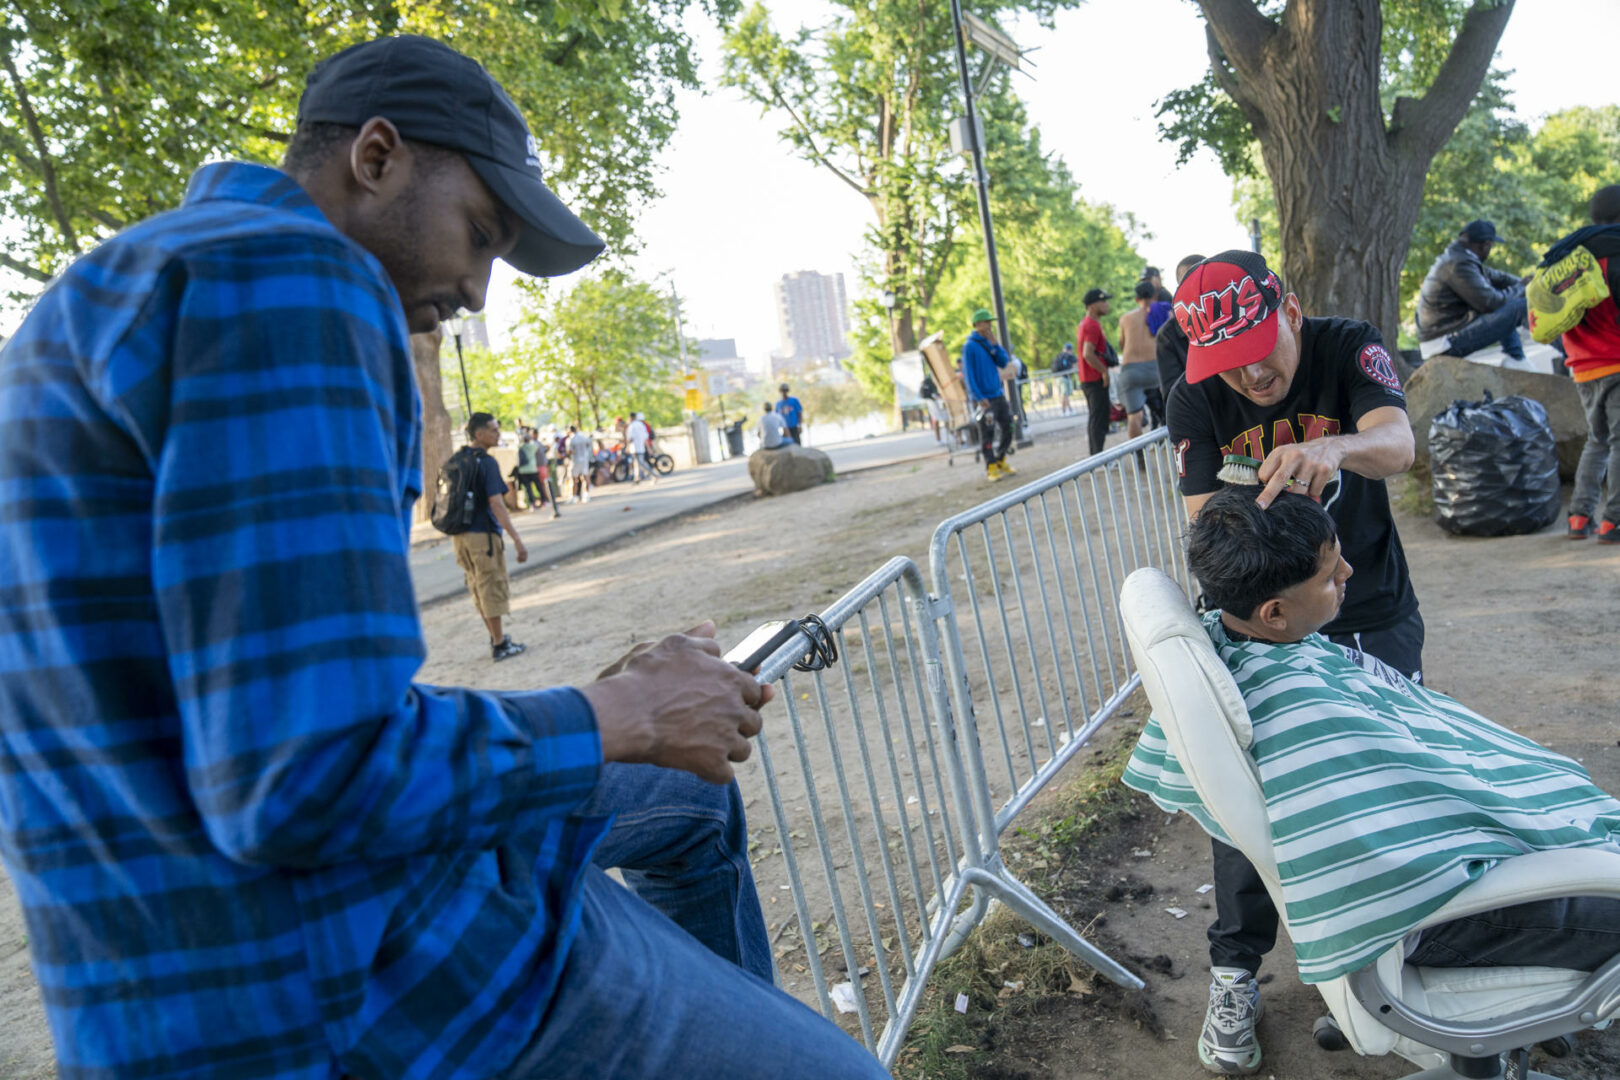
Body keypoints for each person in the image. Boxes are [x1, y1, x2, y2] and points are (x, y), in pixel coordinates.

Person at [0, 33, 896, 1080]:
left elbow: (252, 723)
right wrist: (617, 717)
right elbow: (301, 781)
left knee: (691, 797)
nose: (477, 292)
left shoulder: (93, 296)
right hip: (337, 982)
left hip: (143, 988)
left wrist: (612, 716)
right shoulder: (294, 275)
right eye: (479, 235)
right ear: (374, 157)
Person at [1124, 487, 1620, 1075]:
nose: (1349, 573)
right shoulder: (1300, 712)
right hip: (1433, 914)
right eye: (1330, 575)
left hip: (1434, 887)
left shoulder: (1244, 644)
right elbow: (1396, 853)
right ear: (1275, 612)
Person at [1166, 249, 1422, 1075]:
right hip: (1266, 624)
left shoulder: (1348, 346)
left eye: (1259, 349)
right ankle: (1236, 971)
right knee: (1249, 796)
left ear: (1293, 310)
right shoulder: (1196, 397)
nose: (1249, 375)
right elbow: (1213, 530)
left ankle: (1385, 969)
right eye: (1226, 362)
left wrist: (1335, 451)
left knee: (1386, 778)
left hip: (1371, 601)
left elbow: (1399, 442)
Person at [1559, 184, 1620, 542]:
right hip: (1615, 362)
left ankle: (1580, 518)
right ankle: (1614, 520)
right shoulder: (1614, 252)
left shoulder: (1571, 255)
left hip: (1582, 365)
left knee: (1597, 440)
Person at [452, 413, 530, 659]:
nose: (498, 435)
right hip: (482, 536)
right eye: (493, 430)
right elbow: (496, 503)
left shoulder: (458, 459)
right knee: (490, 586)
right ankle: (499, 644)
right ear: (479, 434)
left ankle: (495, 637)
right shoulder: (486, 462)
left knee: (477, 586)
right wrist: (516, 538)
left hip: (460, 536)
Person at [1416, 219, 1529, 361]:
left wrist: (1524, 283)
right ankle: (1520, 358)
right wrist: (1521, 288)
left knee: (1509, 302)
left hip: (1444, 335)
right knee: (1521, 305)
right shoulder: (1458, 264)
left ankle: (1515, 358)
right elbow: (1490, 302)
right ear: (1485, 245)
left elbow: (1498, 277)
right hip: (1444, 342)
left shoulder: (1459, 257)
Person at [962, 307, 1016, 480]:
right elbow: (969, 374)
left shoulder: (989, 344)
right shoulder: (970, 346)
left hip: (998, 394)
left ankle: (1001, 458)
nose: (989, 326)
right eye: (986, 323)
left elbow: (1003, 361)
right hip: (985, 398)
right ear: (977, 324)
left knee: (1009, 426)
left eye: (990, 323)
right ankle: (990, 465)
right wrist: (978, 397)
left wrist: (995, 345)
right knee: (988, 431)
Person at [1114, 281, 1162, 442]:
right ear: (1155, 296)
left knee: (1134, 416)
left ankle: (1139, 456)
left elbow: (1122, 343)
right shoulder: (1160, 313)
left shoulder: (1125, 318)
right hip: (1156, 368)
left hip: (1131, 369)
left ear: (1136, 299)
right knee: (1168, 404)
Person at [1155, 253, 1206, 395]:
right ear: (1179, 289)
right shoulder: (1168, 335)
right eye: (1189, 281)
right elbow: (1173, 393)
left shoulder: (1233, 319)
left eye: (1203, 279)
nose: (1198, 287)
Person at [1076, 287, 1114, 456]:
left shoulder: (1087, 323)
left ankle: (1097, 454)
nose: (1107, 304)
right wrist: (1104, 371)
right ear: (1092, 306)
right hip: (1094, 379)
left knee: (1097, 418)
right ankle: (1097, 456)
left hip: (1089, 378)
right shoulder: (1091, 325)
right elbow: (1087, 354)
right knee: (1098, 419)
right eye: (1103, 301)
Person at [626, 411, 656, 484]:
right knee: (636, 463)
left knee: (641, 463)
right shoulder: (641, 425)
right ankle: (637, 478)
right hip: (641, 447)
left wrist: (627, 447)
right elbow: (645, 437)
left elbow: (630, 438)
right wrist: (648, 448)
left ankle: (654, 474)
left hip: (635, 448)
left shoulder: (632, 426)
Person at [569, 423, 595, 503]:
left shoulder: (572, 439)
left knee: (575, 479)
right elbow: (589, 444)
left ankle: (575, 496)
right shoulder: (583, 437)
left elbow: (571, 451)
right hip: (584, 459)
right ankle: (586, 494)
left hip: (576, 460)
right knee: (585, 477)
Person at [1051, 341, 1078, 415]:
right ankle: (1065, 411)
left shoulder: (1059, 355)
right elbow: (1076, 365)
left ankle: (1068, 410)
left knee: (1064, 394)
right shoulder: (1069, 356)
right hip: (1065, 377)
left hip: (1058, 377)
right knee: (1064, 394)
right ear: (1070, 349)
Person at [919, 370, 948, 440]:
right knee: (937, 419)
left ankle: (949, 436)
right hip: (933, 403)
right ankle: (938, 439)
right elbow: (927, 394)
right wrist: (935, 396)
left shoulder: (939, 378)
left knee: (946, 418)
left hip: (938, 401)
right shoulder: (928, 381)